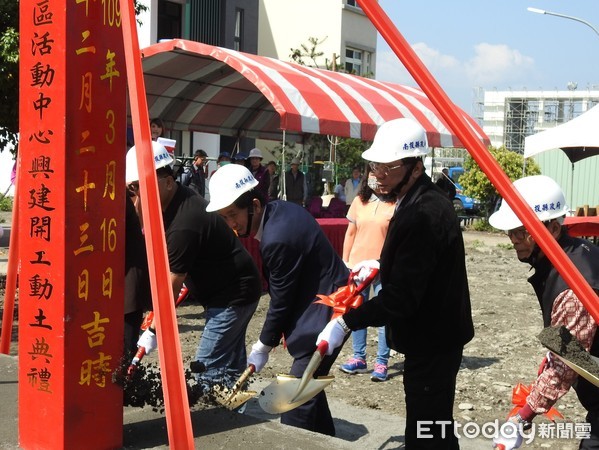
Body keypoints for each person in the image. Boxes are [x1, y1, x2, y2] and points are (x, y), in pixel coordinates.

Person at [316, 118, 474, 448]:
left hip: (432, 337)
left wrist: (346, 323)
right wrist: (382, 264)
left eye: (389, 167)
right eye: (376, 164)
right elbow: (419, 263)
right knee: (432, 422)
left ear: (416, 167)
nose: (378, 173)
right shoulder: (420, 200)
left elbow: (401, 298)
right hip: (436, 333)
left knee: (427, 428)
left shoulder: (422, 212)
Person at [206, 164, 349, 436]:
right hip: (322, 303)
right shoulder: (280, 211)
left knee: (294, 400)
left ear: (255, 205)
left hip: (328, 313)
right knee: (309, 394)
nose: (231, 224)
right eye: (225, 217)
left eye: (233, 215)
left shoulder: (277, 238)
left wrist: (263, 344)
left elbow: (281, 301)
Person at [126, 142, 262, 389]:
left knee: (205, 367)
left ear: (168, 181)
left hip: (233, 294)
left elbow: (171, 285)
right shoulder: (171, 201)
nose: (138, 196)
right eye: (133, 189)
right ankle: (234, 411)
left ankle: (207, 415)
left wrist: (152, 331)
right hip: (228, 288)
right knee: (230, 361)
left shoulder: (184, 222)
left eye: (144, 186)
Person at [489, 175, 599, 450]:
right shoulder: (574, 254)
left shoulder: (574, 283)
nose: (513, 240)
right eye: (509, 232)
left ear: (550, 229)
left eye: (519, 232)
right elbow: (569, 348)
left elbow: (567, 364)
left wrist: (523, 417)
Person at [339, 170, 395, 382]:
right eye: (372, 174)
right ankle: (358, 357)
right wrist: (346, 262)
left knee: (383, 316)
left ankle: (382, 362)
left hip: (383, 268)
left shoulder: (395, 203)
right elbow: (350, 233)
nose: (376, 178)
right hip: (358, 267)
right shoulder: (359, 202)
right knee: (357, 312)